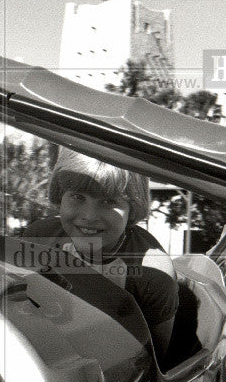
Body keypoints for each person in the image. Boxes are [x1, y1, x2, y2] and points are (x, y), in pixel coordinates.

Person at [24, 149, 179, 359]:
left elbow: (156, 362)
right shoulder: (39, 238)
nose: (89, 216)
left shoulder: (153, 274)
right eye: (77, 197)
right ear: (60, 197)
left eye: (108, 201)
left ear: (132, 207)